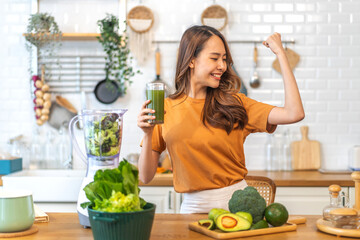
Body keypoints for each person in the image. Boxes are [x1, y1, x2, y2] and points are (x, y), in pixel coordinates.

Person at [137, 25, 304, 213]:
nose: (223, 66)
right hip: (192, 210)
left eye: (224, 59)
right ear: (191, 61)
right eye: (215, 58)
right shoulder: (165, 108)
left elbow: (294, 113)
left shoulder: (235, 104)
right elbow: (145, 176)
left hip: (238, 208)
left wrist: (280, 54)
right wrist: (148, 133)